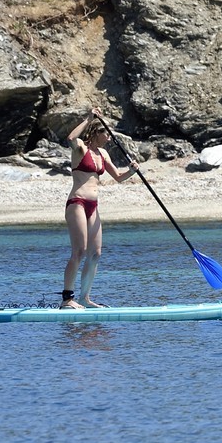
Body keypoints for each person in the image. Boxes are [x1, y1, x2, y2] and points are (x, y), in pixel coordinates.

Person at [62, 109, 139, 309]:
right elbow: (70, 137)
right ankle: (67, 299)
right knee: (79, 251)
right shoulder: (80, 148)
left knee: (95, 253)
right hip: (77, 202)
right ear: (96, 132)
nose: (109, 138)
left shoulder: (103, 154)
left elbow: (119, 178)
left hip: (93, 206)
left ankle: (84, 298)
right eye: (106, 133)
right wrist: (88, 118)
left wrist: (131, 171)